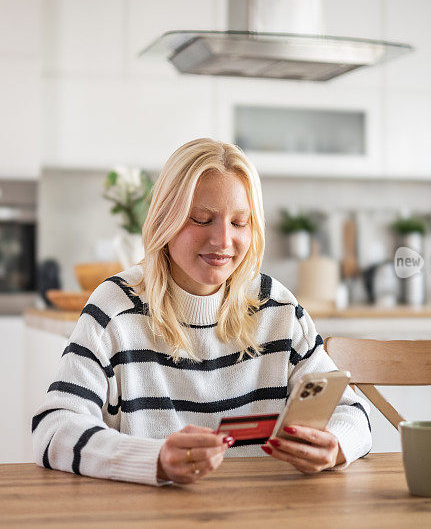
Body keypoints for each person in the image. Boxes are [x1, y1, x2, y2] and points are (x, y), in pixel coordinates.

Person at [32, 138, 372, 485]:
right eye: (202, 219)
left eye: (240, 222)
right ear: (165, 219)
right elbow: (54, 428)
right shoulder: (115, 308)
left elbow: (352, 413)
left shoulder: (278, 308)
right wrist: (154, 459)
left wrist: (335, 445)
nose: (223, 240)